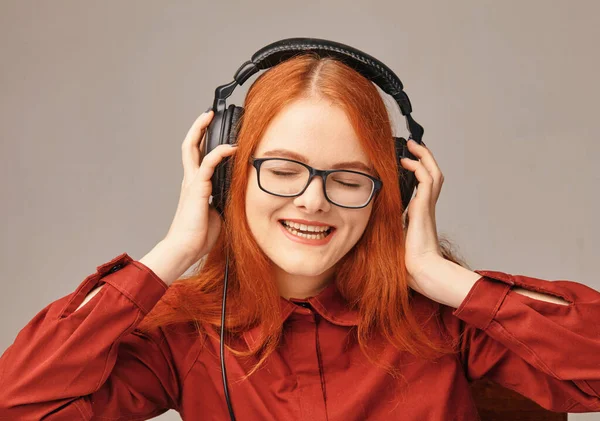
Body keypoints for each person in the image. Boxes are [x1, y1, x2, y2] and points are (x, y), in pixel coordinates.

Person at [1, 53, 599, 421]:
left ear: (391, 192)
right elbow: (18, 405)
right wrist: (172, 254)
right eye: (282, 171)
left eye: (348, 177)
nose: (312, 199)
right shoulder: (184, 334)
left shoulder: (442, 319)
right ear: (228, 179)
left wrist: (448, 281)